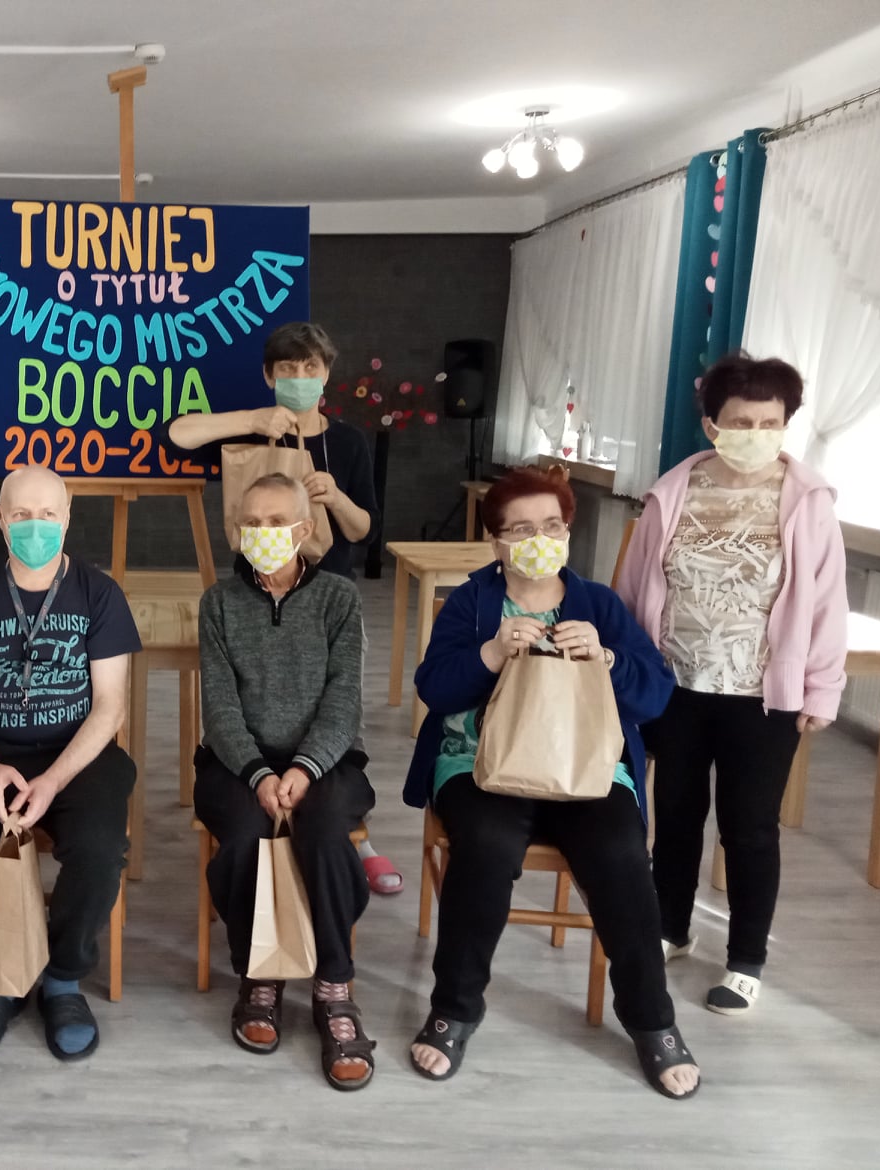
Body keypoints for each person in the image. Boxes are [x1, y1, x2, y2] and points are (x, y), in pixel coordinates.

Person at [404, 465, 701, 1099]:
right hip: (481, 764)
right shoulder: (473, 602)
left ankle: (653, 1019)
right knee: (485, 848)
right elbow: (434, 687)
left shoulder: (599, 604)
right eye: (520, 529)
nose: (538, 538)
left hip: (584, 765)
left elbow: (654, 695)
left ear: (568, 531)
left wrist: (607, 657)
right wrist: (490, 653)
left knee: (620, 853)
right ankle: (455, 1008)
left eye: (551, 525)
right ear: (495, 542)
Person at [617, 352, 847, 1016]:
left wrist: (822, 690)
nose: (756, 433)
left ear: (786, 424)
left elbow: (826, 602)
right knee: (676, 816)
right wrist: (627, 674)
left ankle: (746, 958)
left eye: (770, 422)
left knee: (749, 828)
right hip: (677, 685)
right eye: (741, 422)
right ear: (712, 425)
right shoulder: (673, 490)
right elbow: (634, 590)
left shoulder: (808, 501)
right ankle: (672, 927)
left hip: (763, 696)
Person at [166, 320, 398, 894]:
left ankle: (353, 837)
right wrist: (250, 420)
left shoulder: (347, 443)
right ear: (270, 376)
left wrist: (334, 496)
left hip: (326, 597)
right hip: (257, 593)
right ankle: (266, 798)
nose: (300, 377)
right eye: (288, 369)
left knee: (333, 707)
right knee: (254, 702)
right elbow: (178, 434)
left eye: (310, 367)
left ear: (327, 374)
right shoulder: (255, 432)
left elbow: (364, 531)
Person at [0, 464, 138, 1063]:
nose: (34, 526)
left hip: (77, 757)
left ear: (67, 518)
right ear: (1, 520)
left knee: (98, 849)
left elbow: (111, 705)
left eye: (46, 514)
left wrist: (55, 779)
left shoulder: (100, 594)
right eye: (20, 515)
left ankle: (62, 978)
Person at [194, 472, 377, 1091]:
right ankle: (261, 970)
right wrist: (257, 772)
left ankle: (334, 983)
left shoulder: (338, 598)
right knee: (246, 834)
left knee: (323, 831)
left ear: (304, 529)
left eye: (277, 522)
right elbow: (219, 706)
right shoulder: (219, 602)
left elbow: (344, 699)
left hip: (325, 760)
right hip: (237, 762)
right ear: (236, 531)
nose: (263, 533)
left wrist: (303, 768)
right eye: (252, 523)